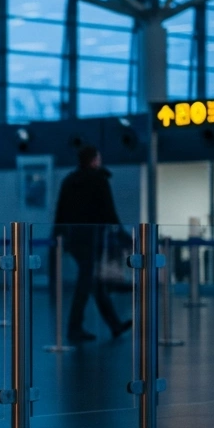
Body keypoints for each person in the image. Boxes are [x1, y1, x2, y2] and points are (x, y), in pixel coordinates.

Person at [53, 146, 131, 343]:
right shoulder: (99, 180)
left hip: (73, 238)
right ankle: (74, 327)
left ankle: (114, 325)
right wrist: (122, 235)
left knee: (93, 281)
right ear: (94, 160)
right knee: (86, 281)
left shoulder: (68, 181)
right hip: (92, 237)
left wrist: (58, 236)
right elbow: (109, 211)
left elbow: (60, 212)